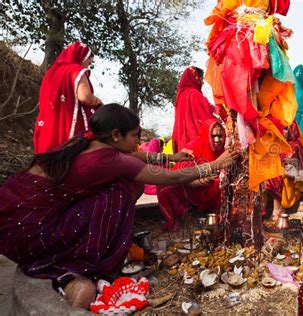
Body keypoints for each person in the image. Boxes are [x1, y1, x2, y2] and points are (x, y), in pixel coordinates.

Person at [0, 103, 237, 308]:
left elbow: (135, 157)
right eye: (134, 136)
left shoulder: (90, 145)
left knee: (121, 182)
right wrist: (216, 164)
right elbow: (171, 178)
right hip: (29, 233)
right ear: (116, 135)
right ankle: (87, 262)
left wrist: (172, 158)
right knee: (121, 190)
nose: (138, 142)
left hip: (12, 224)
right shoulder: (109, 160)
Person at [34, 42, 103, 154]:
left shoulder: (52, 72)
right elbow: (84, 97)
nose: (88, 66)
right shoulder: (77, 70)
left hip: (50, 122)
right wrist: (97, 101)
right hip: (69, 123)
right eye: (88, 62)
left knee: (49, 156)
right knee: (67, 155)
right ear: (82, 57)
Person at [157, 119, 226, 231]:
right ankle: (183, 216)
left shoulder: (225, 151)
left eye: (220, 135)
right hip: (191, 188)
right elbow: (181, 173)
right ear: (206, 135)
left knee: (223, 181)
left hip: (213, 191)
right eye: (213, 136)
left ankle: (219, 217)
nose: (217, 140)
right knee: (165, 186)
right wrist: (200, 181)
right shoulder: (193, 148)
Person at [265, 121, 303, 222]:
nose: (282, 132)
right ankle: (271, 211)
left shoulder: (295, 145)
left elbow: (291, 167)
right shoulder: (270, 142)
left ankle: (278, 210)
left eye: (285, 129)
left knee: (278, 175)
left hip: (289, 178)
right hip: (271, 173)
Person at [171, 66, 217, 152]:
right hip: (195, 144)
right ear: (195, 78)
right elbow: (206, 119)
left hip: (181, 144)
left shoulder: (180, 97)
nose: (202, 82)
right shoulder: (195, 94)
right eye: (201, 79)